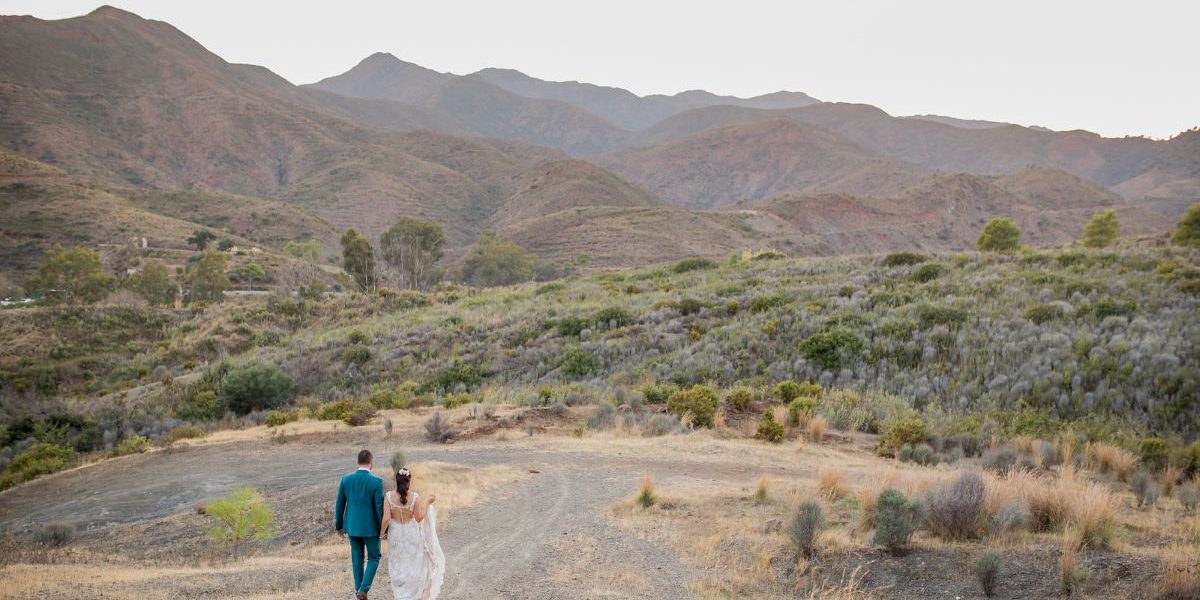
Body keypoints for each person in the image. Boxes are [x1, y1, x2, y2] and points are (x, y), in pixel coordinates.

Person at [381, 466, 445, 599]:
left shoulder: (388, 496)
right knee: (414, 564)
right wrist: (428, 502)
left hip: (396, 534)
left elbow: (386, 518)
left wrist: (381, 534)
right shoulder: (414, 497)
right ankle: (414, 594)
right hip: (411, 534)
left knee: (397, 564)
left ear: (396, 481)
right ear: (408, 481)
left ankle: (401, 595)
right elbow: (419, 518)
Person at [335, 449, 385, 600]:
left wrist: (339, 526)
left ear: (357, 462)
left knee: (357, 559)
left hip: (353, 527)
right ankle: (363, 589)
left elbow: (339, 504)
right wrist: (383, 529)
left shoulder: (346, 479)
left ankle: (358, 590)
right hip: (371, 529)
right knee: (374, 557)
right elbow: (379, 508)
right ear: (371, 463)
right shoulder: (376, 481)